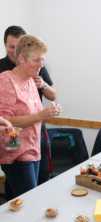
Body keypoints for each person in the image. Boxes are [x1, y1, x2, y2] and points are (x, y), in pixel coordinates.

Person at [0, 35, 61, 200]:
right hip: (16, 153)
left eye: (43, 60)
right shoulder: (6, 81)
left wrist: (48, 113)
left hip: (34, 149)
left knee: (16, 206)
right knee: (29, 203)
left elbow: (35, 115)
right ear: (21, 58)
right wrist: (40, 115)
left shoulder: (31, 81)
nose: (41, 64)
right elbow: (5, 121)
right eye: (37, 60)